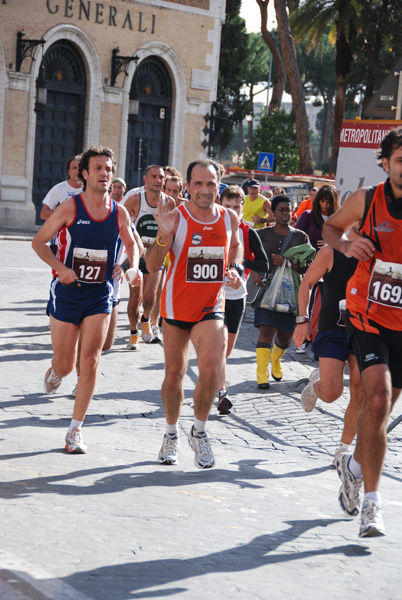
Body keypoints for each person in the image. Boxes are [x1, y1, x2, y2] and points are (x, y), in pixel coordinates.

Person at [32, 146, 140, 454]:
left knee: (91, 359)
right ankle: (55, 371)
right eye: (98, 168)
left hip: (99, 293)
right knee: (66, 365)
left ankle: (74, 430)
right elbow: (39, 242)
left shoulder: (118, 211)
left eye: (108, 168)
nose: (104, 173)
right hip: (67, 291)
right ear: (84, 173)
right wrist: (61, 268)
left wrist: (131, 267)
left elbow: (133, 245)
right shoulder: (69, 207)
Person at [322, 127, 402, 538]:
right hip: (368, 317)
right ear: (385, 162)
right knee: (376, 401)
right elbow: (331, 229)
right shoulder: (367, 199)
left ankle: (353, 466)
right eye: (401, 159)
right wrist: (348, 246)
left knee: (381, 416)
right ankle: (373, 505)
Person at [146, 158, 243, 469]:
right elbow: (151, 265)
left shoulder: (229, 218)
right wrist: (163, 236)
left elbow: (235, 248)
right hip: (176, 307)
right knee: (174, 375)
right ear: (188, 187)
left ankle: (199, 431)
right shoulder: (175, 217)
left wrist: (234, 270)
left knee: (212, 368)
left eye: (211, 183)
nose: (204, 190)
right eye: (198, 184)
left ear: (219, 186)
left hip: (211, 306)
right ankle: (171, 433)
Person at [293, 223, 363, 466]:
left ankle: (343, 450)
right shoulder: (330, 252)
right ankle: (317, 383)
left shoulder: (379, 254)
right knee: (332, 393)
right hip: (334, 329)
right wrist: (302, 321)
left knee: (360, 392)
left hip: (364, 331)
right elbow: (306, 284)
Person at [217, 185, 269, 414]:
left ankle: (215, 381)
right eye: (227, 206)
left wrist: (239, 266)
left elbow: (264, 264)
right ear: (220, 205)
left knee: (226, 352)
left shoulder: (248, 232)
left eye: (236, 207)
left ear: (242, 208)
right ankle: (221, 393)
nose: (231, 211)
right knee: (218, 349)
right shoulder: (211, 228)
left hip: (237, 296)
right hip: (214, 296)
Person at [253, 194, 314, 389]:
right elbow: (250, 258)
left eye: (289, 210)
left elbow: (307, 267)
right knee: (266, 330)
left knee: (286, 335)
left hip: (290, 292)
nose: (285, 214)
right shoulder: (262, 234)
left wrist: (288, 263)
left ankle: (276, 358)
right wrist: (254, 273)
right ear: (272, 212)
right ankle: (261, 373)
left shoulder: (300, 236)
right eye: (281, 210)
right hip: (266, 289)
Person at [123, 165, 175, 348]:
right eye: (153, 176)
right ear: (145, 179)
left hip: (156, 255)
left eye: (161, 177)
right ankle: (133, 332)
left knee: (150, 294)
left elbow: (172, 231)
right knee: (135, 297)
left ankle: (146, 320)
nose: (157, 180)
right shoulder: (135, 200)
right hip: (136, 255)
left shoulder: (169, 202)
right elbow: (120, 223)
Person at [296, 184, 339, 252]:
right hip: (308, 258)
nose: (324, 205)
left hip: (330, 259)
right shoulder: (307, 215)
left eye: (328, 202)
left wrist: (331, 245)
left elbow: (342, 242)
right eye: (322, 201)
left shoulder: (338, 219)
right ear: (318, 200)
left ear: (334, 203)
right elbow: (296, 238)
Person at [40, 155, 83, 221]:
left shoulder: (90, 190)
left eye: (80, 168)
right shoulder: (59, 189)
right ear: (69, 172)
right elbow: (43, 213)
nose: (77, 171)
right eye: (74, 168)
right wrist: (63, 217)